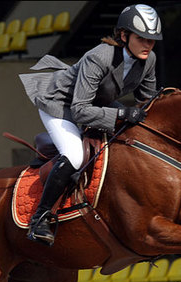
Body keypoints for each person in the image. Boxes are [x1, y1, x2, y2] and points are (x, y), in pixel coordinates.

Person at [19, 4, 162, 246]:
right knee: (75, 155)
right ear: (124, 36)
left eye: (152, 40)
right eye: (142, 38)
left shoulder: (148, 60)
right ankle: (40, 218)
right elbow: (80, 110)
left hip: (96, 103)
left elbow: (146, 102)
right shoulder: (99, 57)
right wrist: (121, 113)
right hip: (61, 105)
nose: (148, 45)